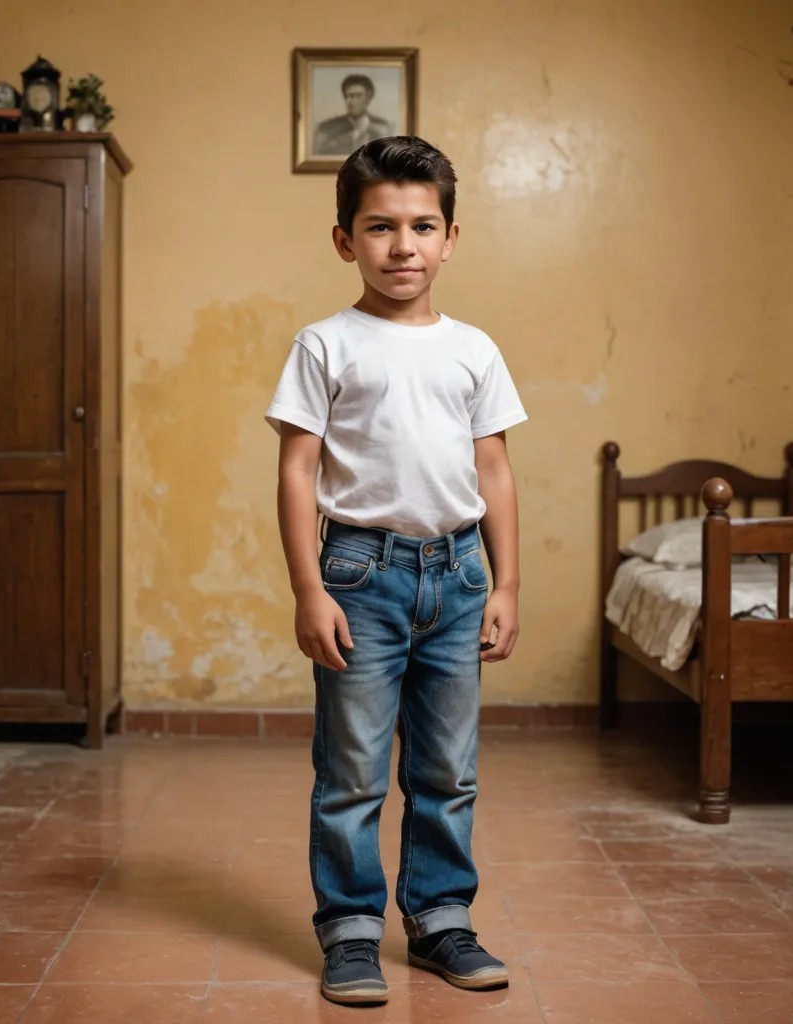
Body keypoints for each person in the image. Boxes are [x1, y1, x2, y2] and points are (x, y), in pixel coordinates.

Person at [265, 136, 526, 1006]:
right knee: (353, 771)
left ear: (451, 237)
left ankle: (442, 918)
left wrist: (507, 583)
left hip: (457, 576)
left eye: (422, 226)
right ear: (345, 240)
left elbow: (494, 470)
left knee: (448, 769)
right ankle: (349, 930)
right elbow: (297, 470)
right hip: (358, 575)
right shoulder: (325, 345)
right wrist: (309, 589)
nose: (402, 246)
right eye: (380, 227)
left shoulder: (474, 350)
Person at [313, 73, 393, 155]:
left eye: (358, 96)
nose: (351, 101)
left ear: (368, 98)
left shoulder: (384, 129)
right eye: (348, 96)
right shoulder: (327, 129)